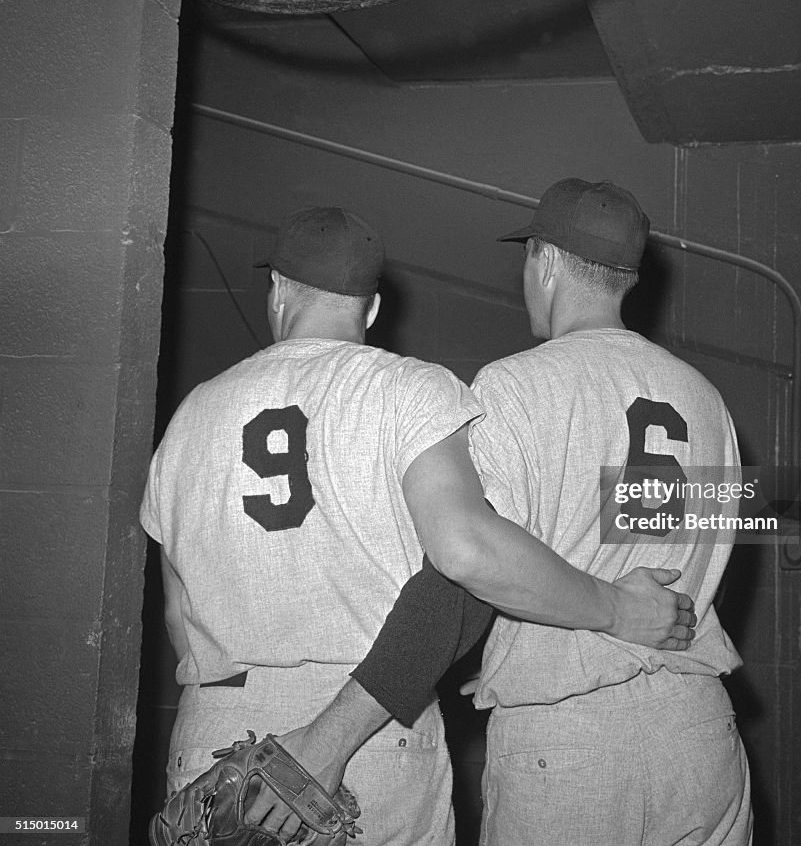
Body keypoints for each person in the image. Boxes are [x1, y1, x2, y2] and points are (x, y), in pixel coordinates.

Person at [140, 205, 698, 846]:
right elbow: (467, 557)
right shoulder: (415, 391)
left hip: (218, 731)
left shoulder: (192, 412)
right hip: (368, 727)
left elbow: (178, 618)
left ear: (278, 293)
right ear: (372, 310)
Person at [466, 178, 753, 846]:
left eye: (529, 257)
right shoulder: (705, 397)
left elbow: (472, 560)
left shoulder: (511, 386)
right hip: (697, 726)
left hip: (568, 735)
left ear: (547, 262)